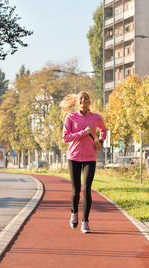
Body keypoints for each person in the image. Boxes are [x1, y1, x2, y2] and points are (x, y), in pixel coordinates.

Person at [60, 91, 107, 233]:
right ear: (77, 102)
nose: (83, 100)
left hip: (90, 157)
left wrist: (100, 142)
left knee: (87, 188)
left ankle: (85, 221)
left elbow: (103, 130)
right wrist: (83, 133)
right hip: (73, 157)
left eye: (86, 98)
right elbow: (65, 138)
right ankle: (74, 212)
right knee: (76, 190)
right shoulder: (71, 117)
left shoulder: (96, 118)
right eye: (81, 98)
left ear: (89, 102)